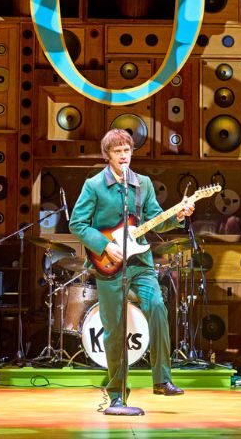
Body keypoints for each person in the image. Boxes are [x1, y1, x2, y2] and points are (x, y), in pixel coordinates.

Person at [69, 129, 194, 409]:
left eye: (127, 150)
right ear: (107, 155)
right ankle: (116, 392)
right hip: (109, 265)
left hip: (140, 262)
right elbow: (77, 224)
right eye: (117, 151)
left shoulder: (142, 183)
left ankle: (162, 380)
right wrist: (104, 246)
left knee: (157, 308)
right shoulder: (94, 185)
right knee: (114, 328)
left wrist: (177, 216)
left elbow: (155, 220)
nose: (123, 156)